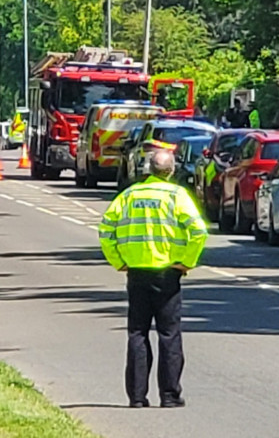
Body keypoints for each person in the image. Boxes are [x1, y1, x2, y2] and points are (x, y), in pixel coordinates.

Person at [98, 150, 208, 409]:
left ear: (148, 168)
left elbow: (105, 229)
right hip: (168, 274)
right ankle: (169, 396)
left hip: (136, 273)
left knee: (137, 333)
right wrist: (186, 262)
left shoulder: (130, 195)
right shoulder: (176, 196)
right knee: (169, 335)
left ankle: (137, 397)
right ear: (171, 170)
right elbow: (198, 231)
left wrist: (119, 261)